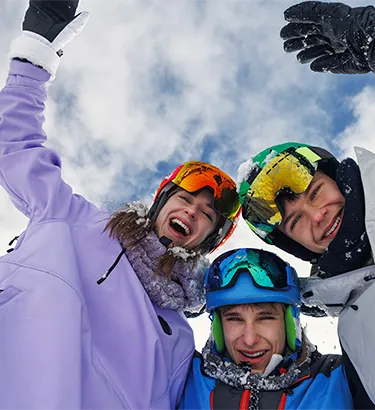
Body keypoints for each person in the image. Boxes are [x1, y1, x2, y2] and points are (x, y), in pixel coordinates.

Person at [0, 1, 242, 408]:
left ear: (210, 240)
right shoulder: (75, 221)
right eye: (183, 199)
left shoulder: (180, 339)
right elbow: (16, 147)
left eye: (205, 216)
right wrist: (35, 54)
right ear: (160, 203)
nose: (190, 212)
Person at [237, 2, 375, 406]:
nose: (318, 217)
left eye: (315, 193)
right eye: (295, 222)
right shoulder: (351, 323)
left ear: (339, 177)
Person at [179, 247, 359, 409]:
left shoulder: (342, 378)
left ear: (289, 323)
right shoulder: (181, 376)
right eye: (234, 319)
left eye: (265, 318)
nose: (249, 340)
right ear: (217, 326)